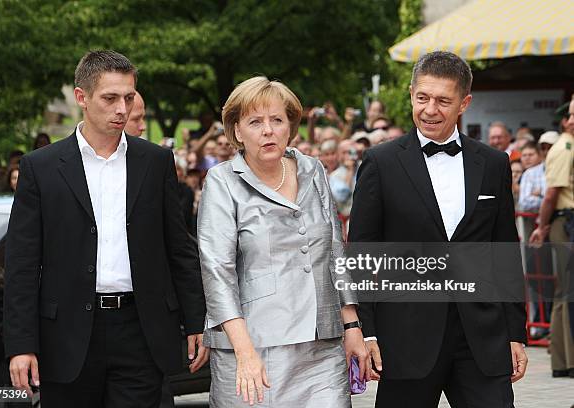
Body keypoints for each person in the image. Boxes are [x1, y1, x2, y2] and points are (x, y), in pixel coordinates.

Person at [4, 50, 208, 408]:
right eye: (110, 98)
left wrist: (196, 321)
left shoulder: (156, 161)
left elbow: (178, 248)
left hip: (141, 329)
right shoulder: (41, 167)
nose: (121, 109)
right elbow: (22, 262)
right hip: (65, 333)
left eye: (128, 98)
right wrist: (21, 345)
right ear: (82, 97)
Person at [349, 51, 527, 407]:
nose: (430, 110)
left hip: (481, 337)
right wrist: (365, 332)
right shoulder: (380, 162)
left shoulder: (493, 163)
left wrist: (514, 333)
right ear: (412, 94)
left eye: (443, 101)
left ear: (464, 103)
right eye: (422, 98)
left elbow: (503, 251)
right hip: (405, 338)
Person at [198, 76, 367, 407]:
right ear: (236, 131)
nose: (268, 130)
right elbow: (217, 270)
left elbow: (335, 249)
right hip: (254, 345)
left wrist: (353, 326)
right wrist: (245, 352)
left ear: (290, 126)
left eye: (277, 120)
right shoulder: (222, 181)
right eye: (255, 122)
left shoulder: (313, 169)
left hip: (322, 346)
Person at [529, 98, 574, 378]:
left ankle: (563, 360)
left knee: (566, 293)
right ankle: (566, 360)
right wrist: (542, 226)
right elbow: (551, 193)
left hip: (565, 220)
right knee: (568, 293)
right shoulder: (564, 148)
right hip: (565, 221)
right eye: (570, 114)